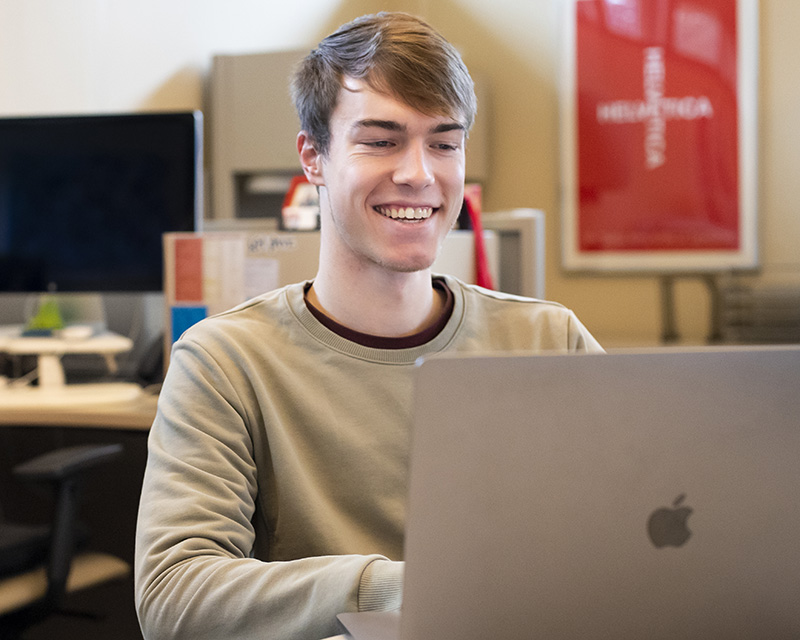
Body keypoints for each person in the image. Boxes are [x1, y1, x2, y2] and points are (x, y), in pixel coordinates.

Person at [134, 11, 603, 640]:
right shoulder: (225, 361)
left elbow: (642, 538)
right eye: (380, 140)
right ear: (314, 157)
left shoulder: (551, 341)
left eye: (444, 142)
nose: (419, 173)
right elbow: (174, 596)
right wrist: (397, 590)